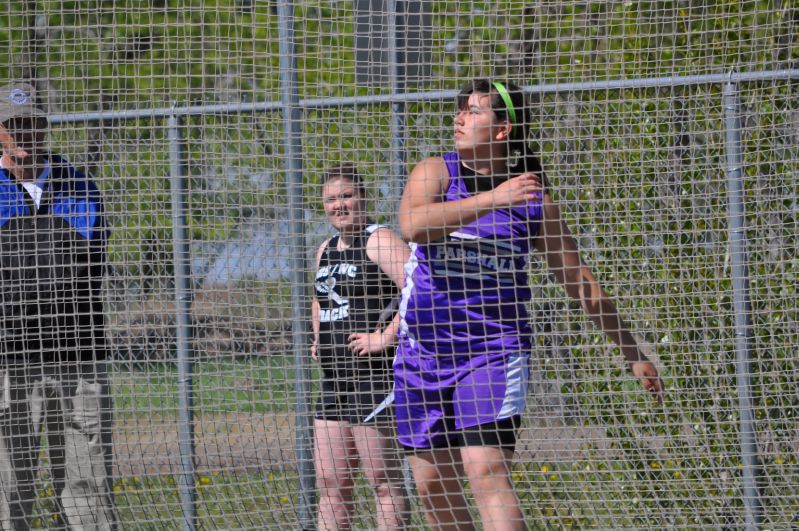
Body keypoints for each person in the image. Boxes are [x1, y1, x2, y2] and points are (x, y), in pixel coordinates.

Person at [395, 79, 665, 531]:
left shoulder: (531, 200)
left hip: (491, 352)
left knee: (485, 472)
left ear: (502, 130)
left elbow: (580, 281)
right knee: (432, 486)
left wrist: (633, 352)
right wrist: (491, 199)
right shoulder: (437, 172)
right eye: (460, 110)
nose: (460, 118)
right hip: (422, 351)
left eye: (475, 111)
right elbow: (412, 225)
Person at [0, 82, 116, 530]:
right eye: (15, 127)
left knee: (88, 481)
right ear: (0, 133)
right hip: (11, 359)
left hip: (77, 355)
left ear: (45, 128)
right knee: (11, 483)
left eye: (33, 125)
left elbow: (89, 265)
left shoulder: (79, 185)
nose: (26, 135)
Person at [311, 165, 411, 530]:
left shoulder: (379, 240)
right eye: (332, 199)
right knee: (331, 484)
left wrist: (386, 337)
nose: (340, 205)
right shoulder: (325, 248)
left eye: (347, 196)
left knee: (383, 483)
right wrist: (318, 335)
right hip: (335, 381)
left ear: (363, 198)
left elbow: (418, 287)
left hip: (375, 379)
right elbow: (319, 298)